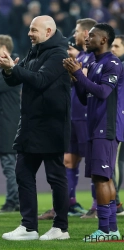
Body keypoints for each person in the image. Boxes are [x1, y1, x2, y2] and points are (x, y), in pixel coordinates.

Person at [0, 15, 71, 241]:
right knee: (23, 173)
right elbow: (16, 79)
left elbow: (39, 80)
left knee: (55, 177)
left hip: (51, 125)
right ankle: (29, 227)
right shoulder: (35, 51)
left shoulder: (58, 54)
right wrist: (9, 69)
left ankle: (61, 228)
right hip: (31, 123)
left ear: (48, 32)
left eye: (34, 30)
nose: (29, 33)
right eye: (29, 29)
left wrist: (14, 69)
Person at [63, 23, 124, 241]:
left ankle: (106, 230)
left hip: (106, 127)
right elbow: (84, 96)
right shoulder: (95, 62)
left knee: (103, 178)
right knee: (101, 178)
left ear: (104, 40)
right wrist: (75, 77)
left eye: (92, 36)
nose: (86, 39)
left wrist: (80, 75)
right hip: (94, 126)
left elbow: (103, 92)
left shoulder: (113, 63)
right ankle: (111, 230)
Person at [39, 18, 97, 220]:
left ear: (87, 33)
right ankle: (67, 203)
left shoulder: (95, 54)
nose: (74, 35)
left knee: (95, 162)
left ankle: (98, 206)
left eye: (77, 31)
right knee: (68, 160)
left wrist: (78, 57)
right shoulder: (78, 54)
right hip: (72, 113)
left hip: (88, 114)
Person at [0, 34, 21, 213]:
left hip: (8, 123)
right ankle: (14, 199)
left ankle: (13, 201)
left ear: (4, 49)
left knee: (9, 164)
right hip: (4, 122)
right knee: (8, 164)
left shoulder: (11, 67)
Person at [111, 35, 124, 215]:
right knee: (118, 161)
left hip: (119, 119)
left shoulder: (119, 67)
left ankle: (116, 201)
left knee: (115, 162)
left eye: (117, 46)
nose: (112, 49)